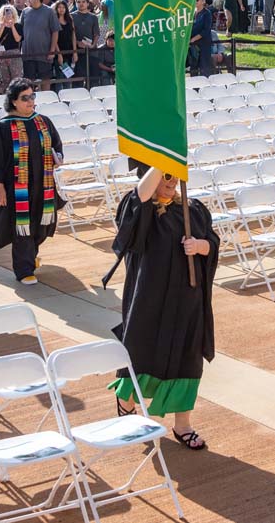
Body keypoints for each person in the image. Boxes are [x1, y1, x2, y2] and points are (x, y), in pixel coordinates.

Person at [106, 166, 219, 451]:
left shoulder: (194, 210)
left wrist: (202, 245)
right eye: (165, 177)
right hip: (148, 300)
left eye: (175, 175)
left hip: (187, 302)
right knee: (140, 353)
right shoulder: (139, 209)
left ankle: (183, 425)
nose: (172, 182)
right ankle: (126, 401)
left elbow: (214, 243)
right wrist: (161, 158)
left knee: (187, 360)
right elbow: (140, 198)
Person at [0, 77, 65, 285]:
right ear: (13, 101)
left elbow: (56, 144)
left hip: (43, 184)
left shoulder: (42, 121)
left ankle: (30, 257)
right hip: (17, 187)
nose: (31, 102)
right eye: (25, 98)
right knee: (22, 227)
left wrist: (58, 157)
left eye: (32, 96)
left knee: (40, 224)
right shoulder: (3, 127)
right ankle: (24, 270)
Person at [189, 0, 214, 77]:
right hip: (193, 46)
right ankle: (194, 88)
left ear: (203, 1)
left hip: (204, 45)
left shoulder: (207, 13)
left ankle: (206, 88)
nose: (195, 2)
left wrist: (194, 39)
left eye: (197, 0)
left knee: (204, 68)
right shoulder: (192, 13)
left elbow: (206, 30)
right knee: (193, 68)